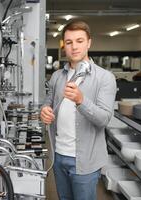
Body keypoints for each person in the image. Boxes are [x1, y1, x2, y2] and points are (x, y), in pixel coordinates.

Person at [40, 20, 116, 200]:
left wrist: (81, 101)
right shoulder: (58, 76)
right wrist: (43, 110)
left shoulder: (105, 78)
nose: (74, 47)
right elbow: (48, 101)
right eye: (69, 42)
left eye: (79, 41)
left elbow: (104, 119)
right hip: (59, 156)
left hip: (85, 161)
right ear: (64, 46)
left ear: (89, 42)